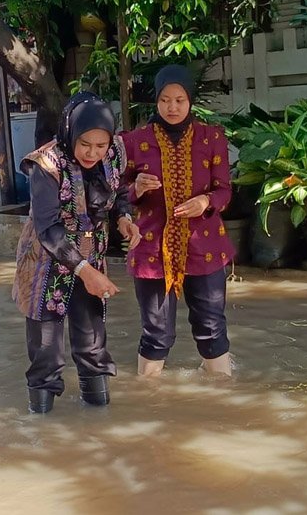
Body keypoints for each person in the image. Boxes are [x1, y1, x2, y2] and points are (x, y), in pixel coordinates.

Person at [13, 92, 141, 414]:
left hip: (91, 262)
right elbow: (48, 229)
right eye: (86, 144)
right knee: (46, 353)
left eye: (101, 146)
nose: (93, 153)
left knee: (93, 345)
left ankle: (98, 416)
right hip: (47, 266)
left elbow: (119, 190)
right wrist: (84, 271)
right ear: (71, 132)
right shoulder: (46, 164)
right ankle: (41, 424)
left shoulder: (114, 155)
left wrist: (124, 218)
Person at [122, 64, 235, 377]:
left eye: (180, 100)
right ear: (156, 101)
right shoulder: (134, 141)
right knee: (156, 333)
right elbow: (114, 193)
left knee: (211, 327)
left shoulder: (211, 138)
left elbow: (224, 190)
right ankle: (149, 403)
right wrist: (136, 189)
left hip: (204, 245)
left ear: (190, 101)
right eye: (165, 100)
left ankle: (222, 397)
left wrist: (206, 202)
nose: (172, 107)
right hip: (151, 249)